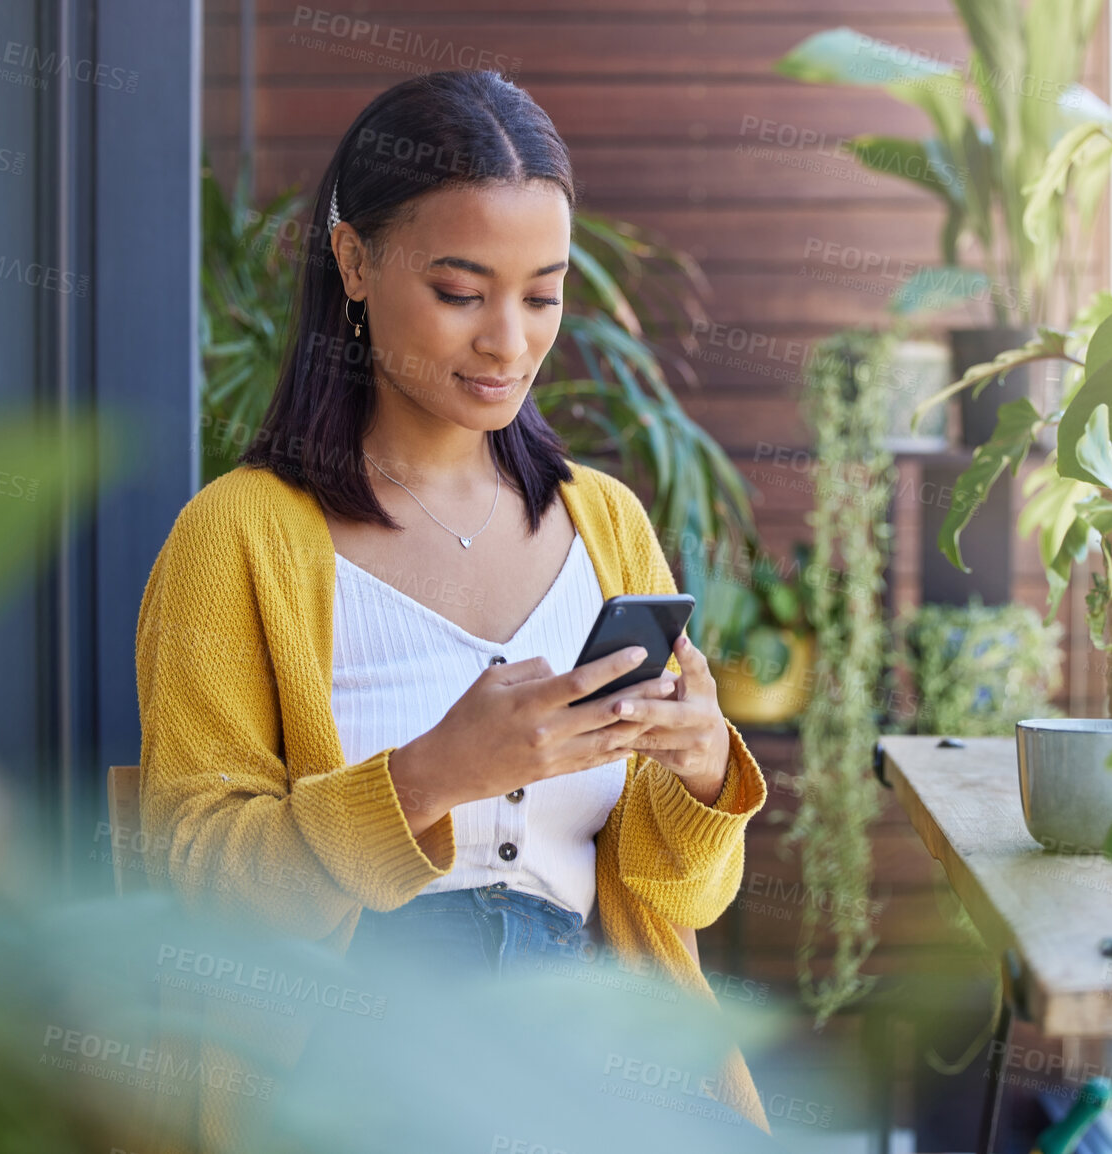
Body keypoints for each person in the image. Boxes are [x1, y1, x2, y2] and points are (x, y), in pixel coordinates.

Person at [133, 68, 768, 1153]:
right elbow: (203, 892)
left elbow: (685, 898)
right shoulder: (236, 537)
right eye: (463, 292)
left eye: (543, 293)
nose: (509, 343)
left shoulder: (604, 522)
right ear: (355, 264)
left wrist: (702, 768)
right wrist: (430, 775)